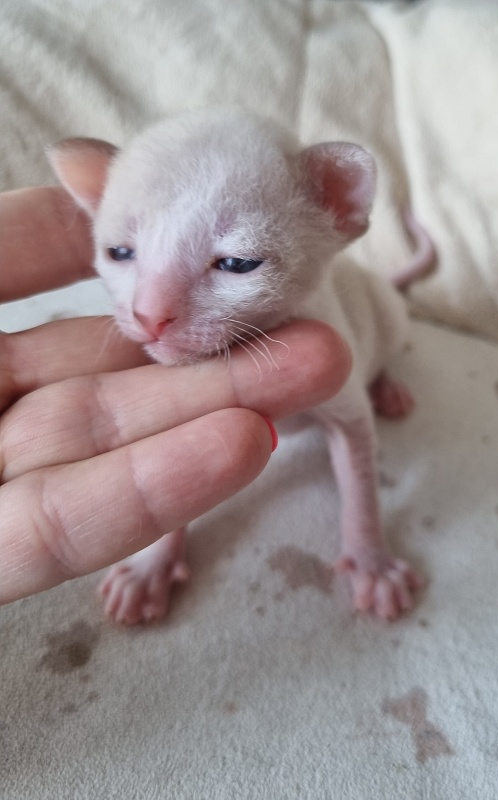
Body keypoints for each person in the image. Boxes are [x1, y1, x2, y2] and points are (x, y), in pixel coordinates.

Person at [0, 186, 350, 606]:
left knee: (343, 371)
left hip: (347, 342)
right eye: (126, 254)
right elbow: (181, 440)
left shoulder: (314, 290)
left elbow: (354, 424)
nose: (146, 312)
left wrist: (365, 544)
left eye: (237, 260)